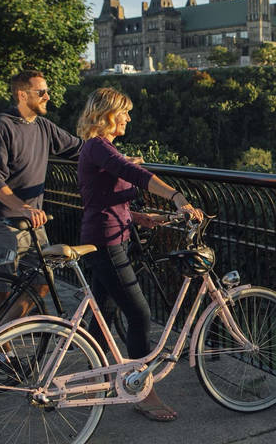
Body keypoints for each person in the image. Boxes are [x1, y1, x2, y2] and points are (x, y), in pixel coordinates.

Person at [76, 87, 203, 422]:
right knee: (140, 314)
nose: (129, 118)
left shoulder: (100, 149)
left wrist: (142, 217)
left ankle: (92, 381)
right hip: (106, 242)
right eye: (125, 112)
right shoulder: (98, 146)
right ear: (107, 115)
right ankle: (143, 393)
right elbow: (135, 175)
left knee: (101, 318)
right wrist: (176, 197)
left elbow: (103, 197)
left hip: (106, 236)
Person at [0, 70, 83, 317]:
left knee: (42, 281)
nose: (48, 96)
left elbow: (80, 149)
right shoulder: (2, 124)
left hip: (33, 221)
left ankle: (2, 333)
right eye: (41, 92)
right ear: (22, 95)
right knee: (2, 288)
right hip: (2, 221)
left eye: (47, 91)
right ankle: (0, 350)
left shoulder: (43, 126)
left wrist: (119, 160)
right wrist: (21, 207)